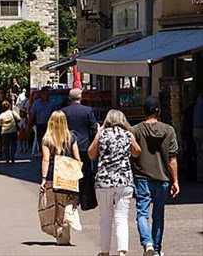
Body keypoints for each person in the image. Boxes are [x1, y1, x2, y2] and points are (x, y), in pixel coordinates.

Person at [88, 110, 141, 256]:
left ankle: (105, 252)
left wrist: (98, 134)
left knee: (105, 218)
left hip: (104, 182)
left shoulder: (102, 134)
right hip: (124, 181)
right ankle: (122, 251)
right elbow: (137, 152)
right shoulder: (128, 135)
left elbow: (91, 154)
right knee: (122, 217)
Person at [133, 96, 179, 256]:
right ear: (159, 111)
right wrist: (176, 180)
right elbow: (172, 158)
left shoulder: (136, 130)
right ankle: (157, 249)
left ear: (143, 111)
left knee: (142, 213)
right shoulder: (169, 130)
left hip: (142, 177)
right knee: (158, 215)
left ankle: (148, 244)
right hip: (163, 178)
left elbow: (132, 153)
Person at [39, 110, 82, 245]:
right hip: (67, 175)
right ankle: (65, 233)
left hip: (52, 175)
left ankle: (58, 232)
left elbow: (46, 160)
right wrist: (76, 175)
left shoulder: (47, 139)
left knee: (54, 205)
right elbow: (77, 158)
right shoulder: (71, 137)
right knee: (66, 203)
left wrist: (44, 179)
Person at [62, 88, 98, 178]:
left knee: (69, 171)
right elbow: (93, 127)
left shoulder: (64, 111)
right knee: (85, 171)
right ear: (80, 97)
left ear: (69, 98)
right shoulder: (87, 110)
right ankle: (84, 189)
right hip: (85, 144)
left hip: (69, 144)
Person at [27, 86, 56, 151]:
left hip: (49, 126)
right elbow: (32, 116)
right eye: (45, 94)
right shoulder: (36, 103)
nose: (47, 96)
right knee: (41, 142)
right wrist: (28, 127)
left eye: (48, 94)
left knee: (50, 142)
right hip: (40, 125)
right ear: (42, 94)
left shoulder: (52, 103)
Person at [193, 91, 203, 182]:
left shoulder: (196, 105)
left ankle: (199, 175)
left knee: (199, 153)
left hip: (196, 130)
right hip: (201, 130)